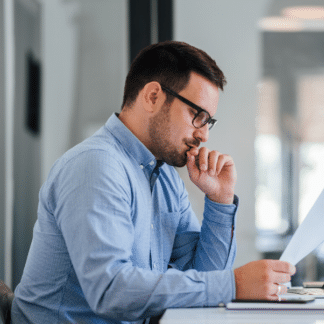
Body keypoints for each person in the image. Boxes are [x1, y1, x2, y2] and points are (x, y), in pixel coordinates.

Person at [12, 41, 295, 323]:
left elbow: (201, 281)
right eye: (198, 116)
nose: (204, 135)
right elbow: (110, 291)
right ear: (152, 96)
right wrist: (233, 285)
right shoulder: (96, 165)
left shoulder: (166, 179)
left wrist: (220, 200)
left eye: (209, 122)